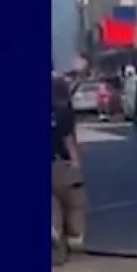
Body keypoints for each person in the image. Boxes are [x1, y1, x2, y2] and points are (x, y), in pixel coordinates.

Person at [52, 73, 86, 259]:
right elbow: (67, 137)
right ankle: (74, 238)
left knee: (54, 203)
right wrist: (75, 161)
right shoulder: (63, 111)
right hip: (61, 161)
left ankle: (55, 232)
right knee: (74, 202)